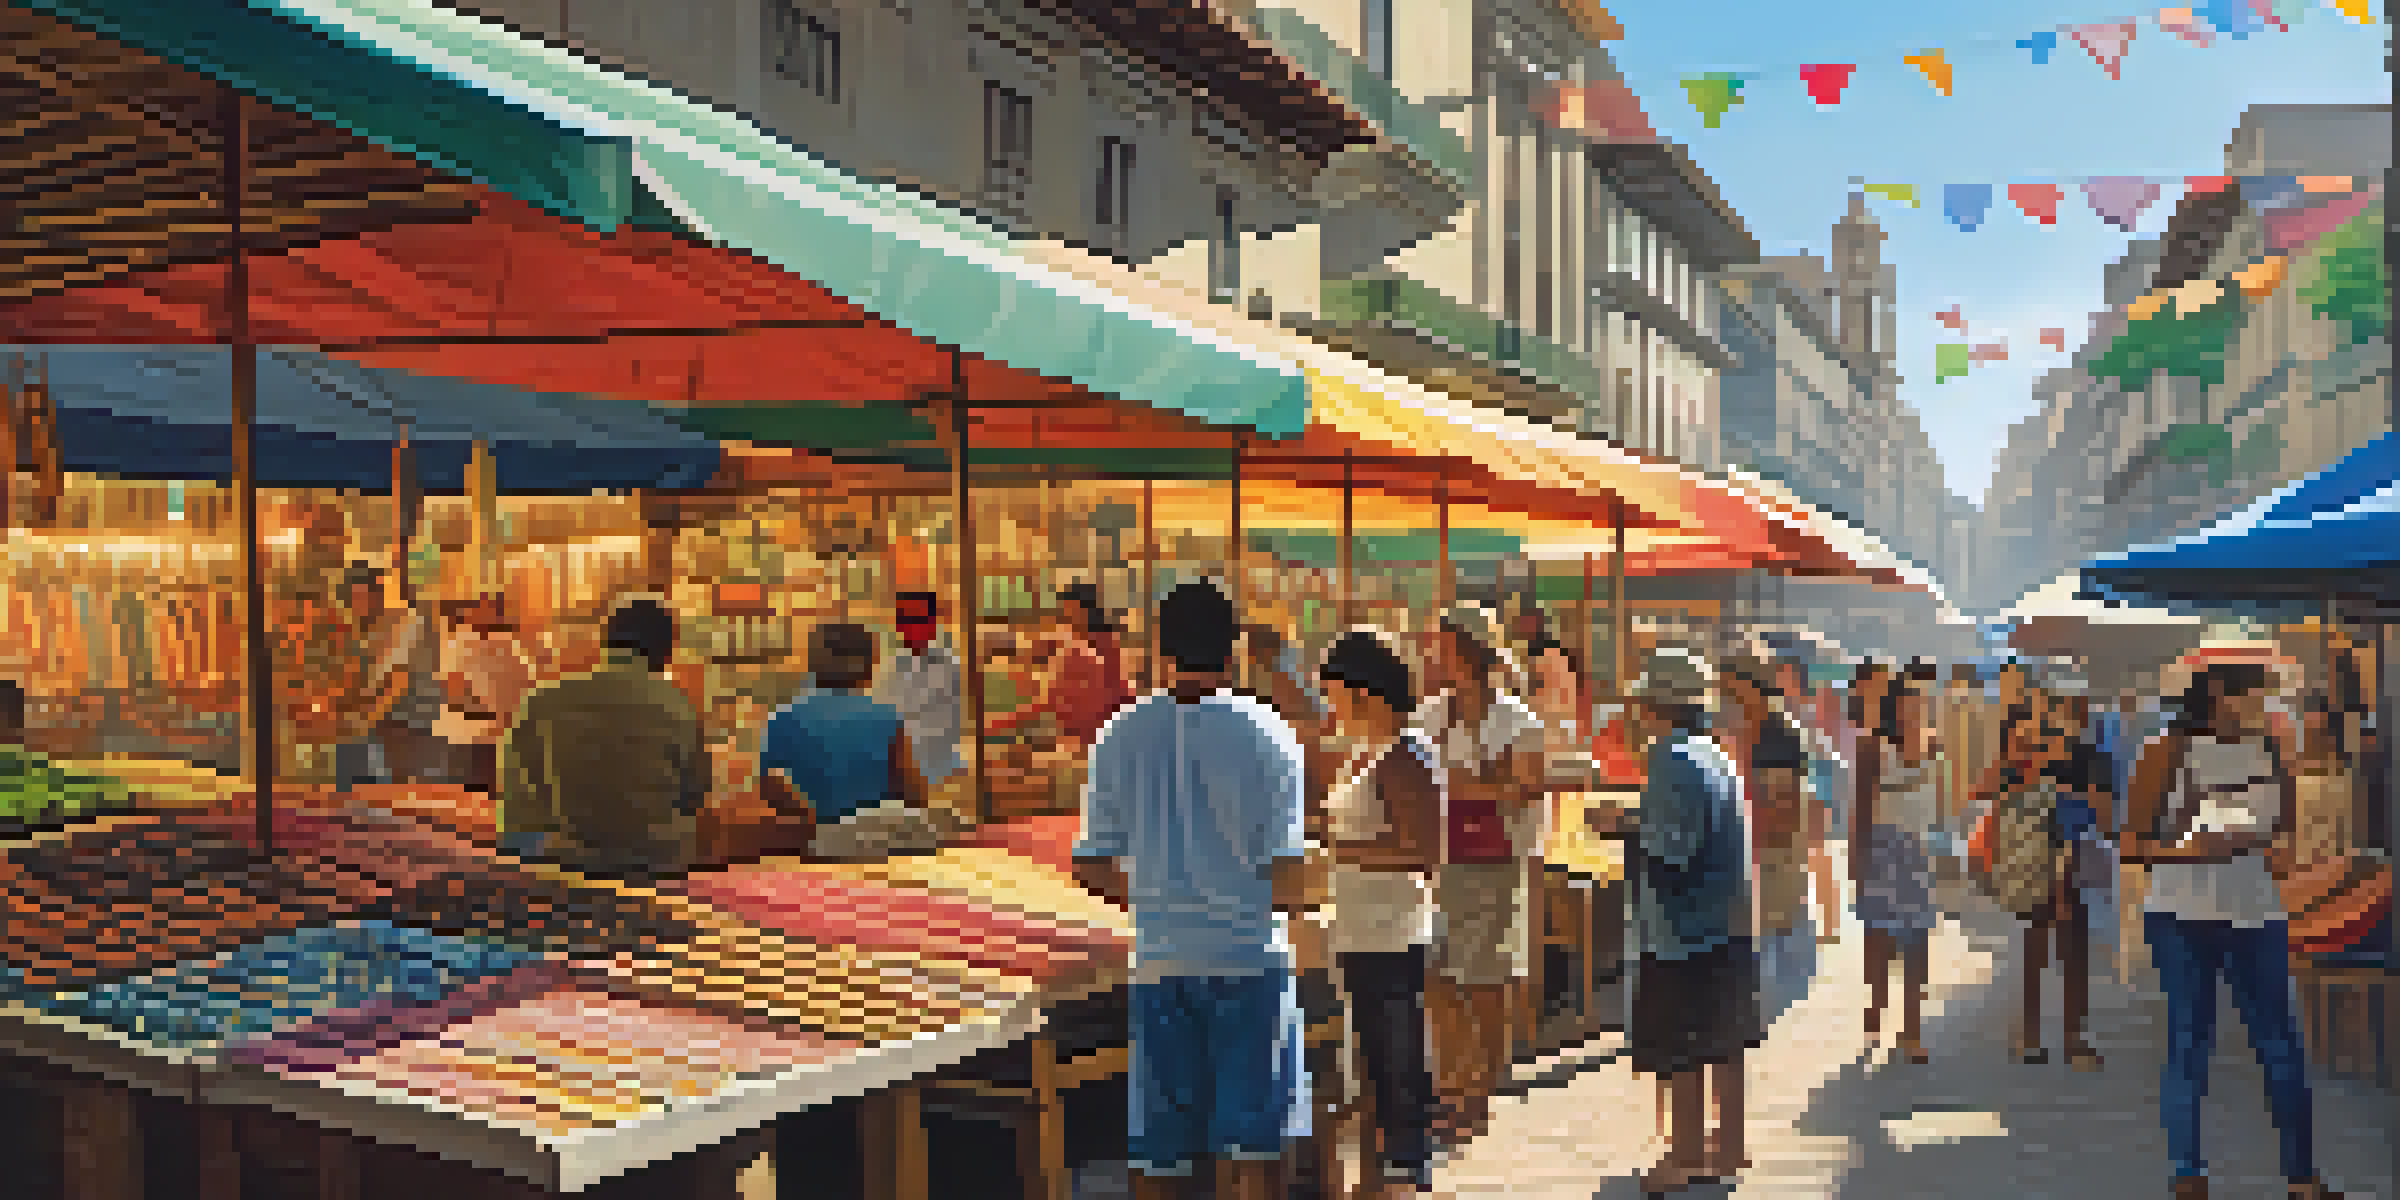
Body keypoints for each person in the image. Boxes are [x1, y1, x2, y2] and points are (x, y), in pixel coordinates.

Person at [1071, 581, 1314, 1200]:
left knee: (1162, 1153)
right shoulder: (1268, 735)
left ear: (1160, 647)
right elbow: (1288, 873)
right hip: (1249, 958)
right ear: (1234, 650)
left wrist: (1157, 896)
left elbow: (1092, 864)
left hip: (1160, 960)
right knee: (1256, 1148)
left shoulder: (1119, 735)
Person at [2121, 660, 2342, 1200]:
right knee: (2189, 1042)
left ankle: (2303, 1177)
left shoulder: (2268, 752)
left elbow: (2283, 834)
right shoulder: (2166, 751)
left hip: (2256, 913)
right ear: (2221, 695)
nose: (2265, 706)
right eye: (2257, 695)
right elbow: (2130, 845)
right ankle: (2188, 1175)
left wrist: (2279, 853)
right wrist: (2189, 851)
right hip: (2181, 916)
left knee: (2281, 1044)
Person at [1589, 647, 1757, 1193]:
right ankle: (1728, 1146)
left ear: (1655, 705)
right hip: (1729, 920)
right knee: (1724, 1042)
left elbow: (1671, 850)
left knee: (1681, 1046)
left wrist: (1619, 826)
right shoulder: (1715, 754)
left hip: (1682, 928)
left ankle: (1683, 1156)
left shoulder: (1670, 758)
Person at [1314, 630, 1442, 1197]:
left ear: (1363, 692)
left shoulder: (1405, 757)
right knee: (1373, 1055)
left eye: (1333, 692)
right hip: (1357, 926)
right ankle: (1383, 1163)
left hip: (1391, 929)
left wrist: (1338, 852)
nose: (1329, 704)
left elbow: (1424, 850)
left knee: (1398, 1055)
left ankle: (1407, 1164)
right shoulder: (1363, 754)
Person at [1417, 604, 1545, 1146]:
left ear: (1468, 650)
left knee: (1485, 982)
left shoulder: (1518, 720)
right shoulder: (1429, 715)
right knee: (1438, 979)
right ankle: (1450, 1089)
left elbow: (1527, 789)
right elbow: (1422, 782)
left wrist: (1464, 783)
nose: (1434, 655)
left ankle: (1478, 1096)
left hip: (1494, 862)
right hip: (1439, 861)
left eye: (1443, 645)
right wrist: (1483, 781)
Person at [496, 598, 708, 881]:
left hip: (553, 859)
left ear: (604, 642)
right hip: (647, 862)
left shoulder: (540, 700)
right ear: (665, 652)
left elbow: (513, 792)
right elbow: (693, 797)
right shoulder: (679, 708)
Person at [753, 621, 931, 860]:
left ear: (813, 666)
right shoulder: (887, 717)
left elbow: (772, 790)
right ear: (869, 668)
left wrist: (812, 825)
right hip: (879, 845)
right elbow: (914, 793)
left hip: (818, 846)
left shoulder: (782, 719)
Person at [1854, 671, 1938, 1064]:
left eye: (1919, 702)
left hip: (1919, 852)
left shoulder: (1933, 743)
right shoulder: (1872, 746)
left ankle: (1912, 1030)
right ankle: (1875, 1008)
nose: (1914, 710)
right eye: (1908, 702)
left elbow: (1938, 799)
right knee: (1879, 940)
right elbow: (1861, 809)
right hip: (1881, 850)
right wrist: (1857, 863)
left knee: (1918, 943)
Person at [333, 564, 452, 789]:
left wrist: (355, 718)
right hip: (383, 724)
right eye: (353, 601)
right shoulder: (359, 634)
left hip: (410, 724)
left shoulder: (407, 625)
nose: (358, 606)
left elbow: (395, 684)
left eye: (363, 597)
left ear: (378, 594)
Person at [992, 583, 1135, 753]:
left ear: (1084, 613)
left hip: (1098, 740)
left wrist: (1001, 727)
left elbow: (1049, 704)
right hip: (1105, 735)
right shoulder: (1078, 648)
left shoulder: (1084, 654)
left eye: (1067, 615)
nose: (1062, 621)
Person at [433, 591, 538, 795]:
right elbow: (454, 691)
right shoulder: (460, 642)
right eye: (478, 606)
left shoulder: (511, 645)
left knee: (491, 792)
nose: (477, 612)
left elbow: (526, 686)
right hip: (469, 735)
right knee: (468, 792)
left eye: (489, 607)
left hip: (499, 735)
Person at [872, 592, 965, 792]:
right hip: (898, 780)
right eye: (904, 620)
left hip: (942, 778)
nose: (910, 627)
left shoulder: (952, 668)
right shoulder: (885, 671)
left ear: (933, 623)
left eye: (918, 619)